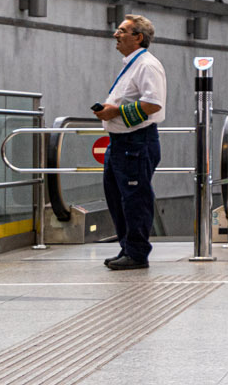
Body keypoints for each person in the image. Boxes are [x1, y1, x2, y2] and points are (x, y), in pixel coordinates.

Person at [93, 13, 167, 271]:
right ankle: (127, 247)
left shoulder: (146, 65)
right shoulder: (132, 64)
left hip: (136, 142)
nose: (116, 34)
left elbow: (153, 103)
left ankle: (137, 252)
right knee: (117, 197)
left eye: (122, 31)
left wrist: (116, 112)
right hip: (120, 142)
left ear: (138, 37)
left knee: (135, 198)